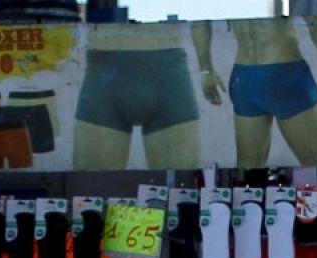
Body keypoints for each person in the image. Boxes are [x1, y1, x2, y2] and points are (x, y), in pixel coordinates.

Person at [197, 17, 317, 168]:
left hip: (243, 78)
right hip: (285, 76)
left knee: (249, 169)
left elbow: (200, 21)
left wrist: (206, 70)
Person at [73, 22, 217, 170]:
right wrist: (206, 70)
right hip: (110, 73)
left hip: (164, 75)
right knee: (90, 187)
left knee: (180, 187)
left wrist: (206, 70)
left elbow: (199, 18)